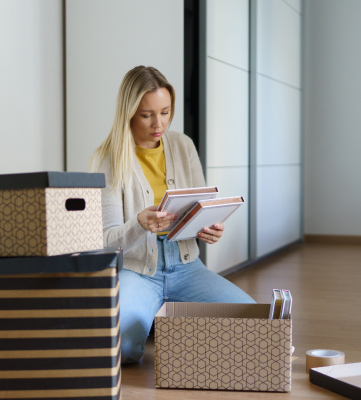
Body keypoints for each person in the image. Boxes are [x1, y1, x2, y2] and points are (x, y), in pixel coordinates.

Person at [89, 65, 255, 364]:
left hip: (186, 266)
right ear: (128, 112)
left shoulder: (183, 145)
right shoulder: (107, 158)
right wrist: (140, 224)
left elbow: (199, 207)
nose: (159, 123)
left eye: (165, 112)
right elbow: (105, 241)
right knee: (122, 351)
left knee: (257, 323)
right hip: (137, 271)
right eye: (147, 114)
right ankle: (152, 318)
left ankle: (155, 319)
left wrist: (208, 229)